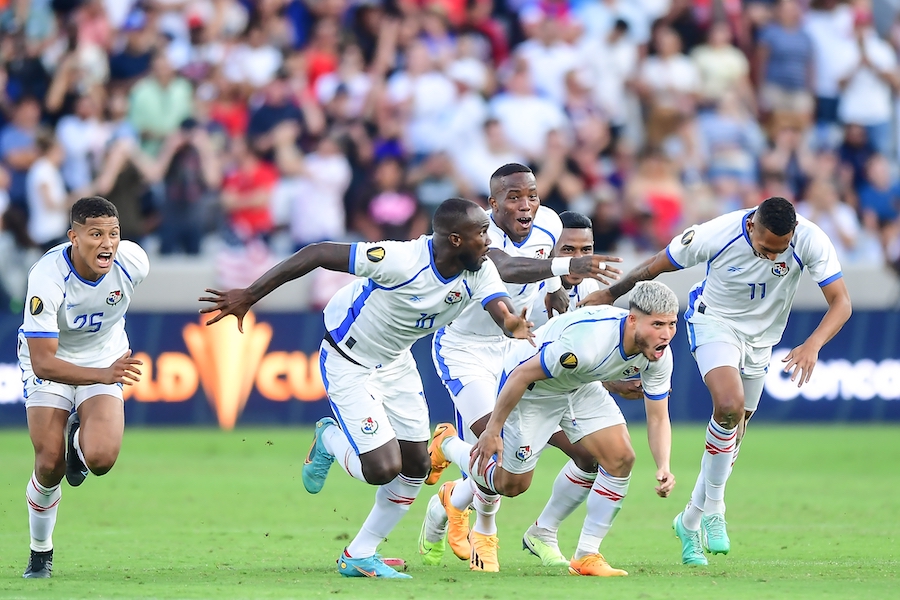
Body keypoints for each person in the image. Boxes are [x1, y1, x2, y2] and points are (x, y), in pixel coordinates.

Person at [199, 197, 534, 579]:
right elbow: (318, 252)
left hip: (396, 361)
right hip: (349, 358)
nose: (490, 241)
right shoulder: (400, 260)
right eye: (482, 233)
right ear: (456, 239)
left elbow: (502, 310)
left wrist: (512, 326)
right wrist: (249, 295)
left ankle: (359, 553)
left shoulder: (480, 269)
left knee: (416, 466)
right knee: (381, 468)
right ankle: (328, 440)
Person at [578, 196, 852, 565]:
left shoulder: (810, 240)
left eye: (781, 250)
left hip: (762, 341)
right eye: (766, 249)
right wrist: (611, 294)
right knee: (728, 407)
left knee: (733, 433)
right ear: (751, 226)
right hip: (714, 322)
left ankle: (689, 520)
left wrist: (813, 344)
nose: (773, 257)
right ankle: (715, 510)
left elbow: (841, 302)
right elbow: (656, 265)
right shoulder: (716, 233)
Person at [418, 166, 622, 572]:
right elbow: (507, 268)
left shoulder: (548, 224)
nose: (525, 204)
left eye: (531, 195)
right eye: (513, 197)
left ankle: (457, 492)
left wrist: (561, 297)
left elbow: (546, 277)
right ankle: (485, 532)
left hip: (521, 347)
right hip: (466, 350)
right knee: (493, 451)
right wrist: (567, 271)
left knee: (587, 456)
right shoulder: (477, 234)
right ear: (493, 204)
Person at [443, 281, 679, 577]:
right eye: (657, 324)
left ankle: (587, 555)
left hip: (579, 385)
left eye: (671, 324)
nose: (666, 334)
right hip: (534, 389)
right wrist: (492, 429)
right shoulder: (585, 345)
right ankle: (447, 444)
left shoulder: (658, 356)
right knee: (511, 485)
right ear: (632, 319)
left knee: (620, 458)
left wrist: (664, 466)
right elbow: (520, 375)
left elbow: (658, 417)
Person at [19, 196, 150, 578]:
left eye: (114, 234)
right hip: (50, 361)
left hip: (103, 357)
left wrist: (104, 370)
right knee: (49, 463)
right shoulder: (47, 278)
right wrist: (103, 376)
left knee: (101, 459)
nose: (107, 243)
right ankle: (40, 552)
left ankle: (78, 440)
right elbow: (43, 360)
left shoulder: (133, 262)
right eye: (95, 234)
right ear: (73, 237)